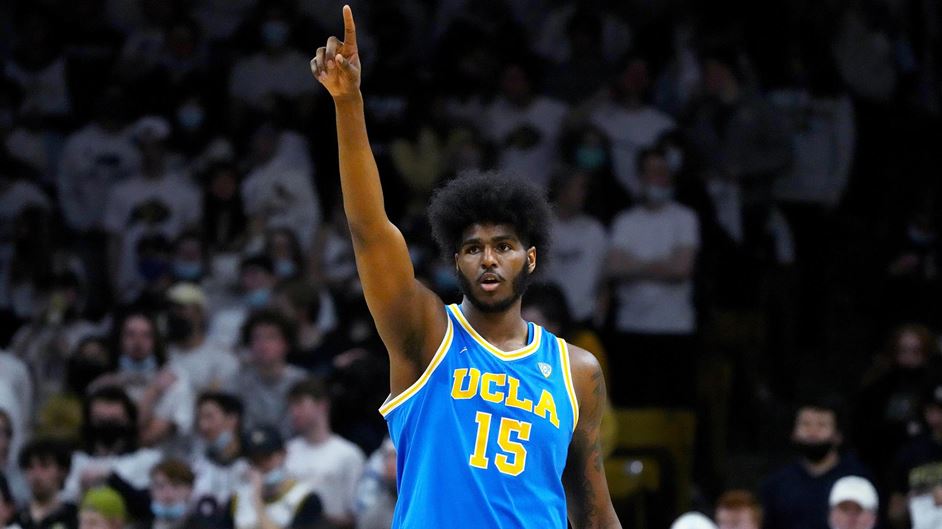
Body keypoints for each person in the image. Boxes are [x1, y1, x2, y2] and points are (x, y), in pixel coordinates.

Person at [311, 6, 620, 528]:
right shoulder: (426, 334)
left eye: (504, 245)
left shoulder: (577, 371)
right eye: (473, 248)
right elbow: (370, 232)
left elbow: (594, 512)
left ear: (531, 259)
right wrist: (348, 104)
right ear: (456, 261)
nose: (489, 258)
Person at [606, 147, 700, 408]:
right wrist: (663, 264)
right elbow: (614, 267)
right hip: (631, 327)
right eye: (650, 172)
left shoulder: (685, 218)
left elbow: (681, 269)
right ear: (640, 177)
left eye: (662, 172)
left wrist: (635, 265)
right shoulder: (625, 221)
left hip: (675, 328)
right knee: (632, 406)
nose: (657, 178)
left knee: (674, 409)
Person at [760, 401, 871, 529]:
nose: (813, 432)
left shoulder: (859, 481)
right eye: (805, 424)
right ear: (793, 433)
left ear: (838, 435)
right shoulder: (777, 483)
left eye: (822, 425)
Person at [285, 378, 364, 527]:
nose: (294, 412)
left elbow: (355, 514)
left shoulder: (348, 454)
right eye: (291, 406)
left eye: (300, 404)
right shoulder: (287, 452)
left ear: (322, 405)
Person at [223, 310, 306, 437]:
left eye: (271, 337)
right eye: (257, 338)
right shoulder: (235, 383)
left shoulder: (301, 382)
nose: (263, 345)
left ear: (286, 344)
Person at [231, 425, 323, 529]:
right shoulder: (237, 499)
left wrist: (257, 500)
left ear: (284, 454)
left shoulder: (305, 499)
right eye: (254, 460)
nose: (260, 466)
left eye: (266, 458)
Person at [189, 392, 248, 506]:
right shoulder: (197, 466)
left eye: (209, 417)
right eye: (200, 418)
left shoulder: (253, 462)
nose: (203, 426)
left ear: (232, 419)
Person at [13, 439, 78, 529]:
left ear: (62, 471)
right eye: (30, 466)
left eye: (45, 466)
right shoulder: (15, 518)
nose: (36, 474)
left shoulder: (75, 516)